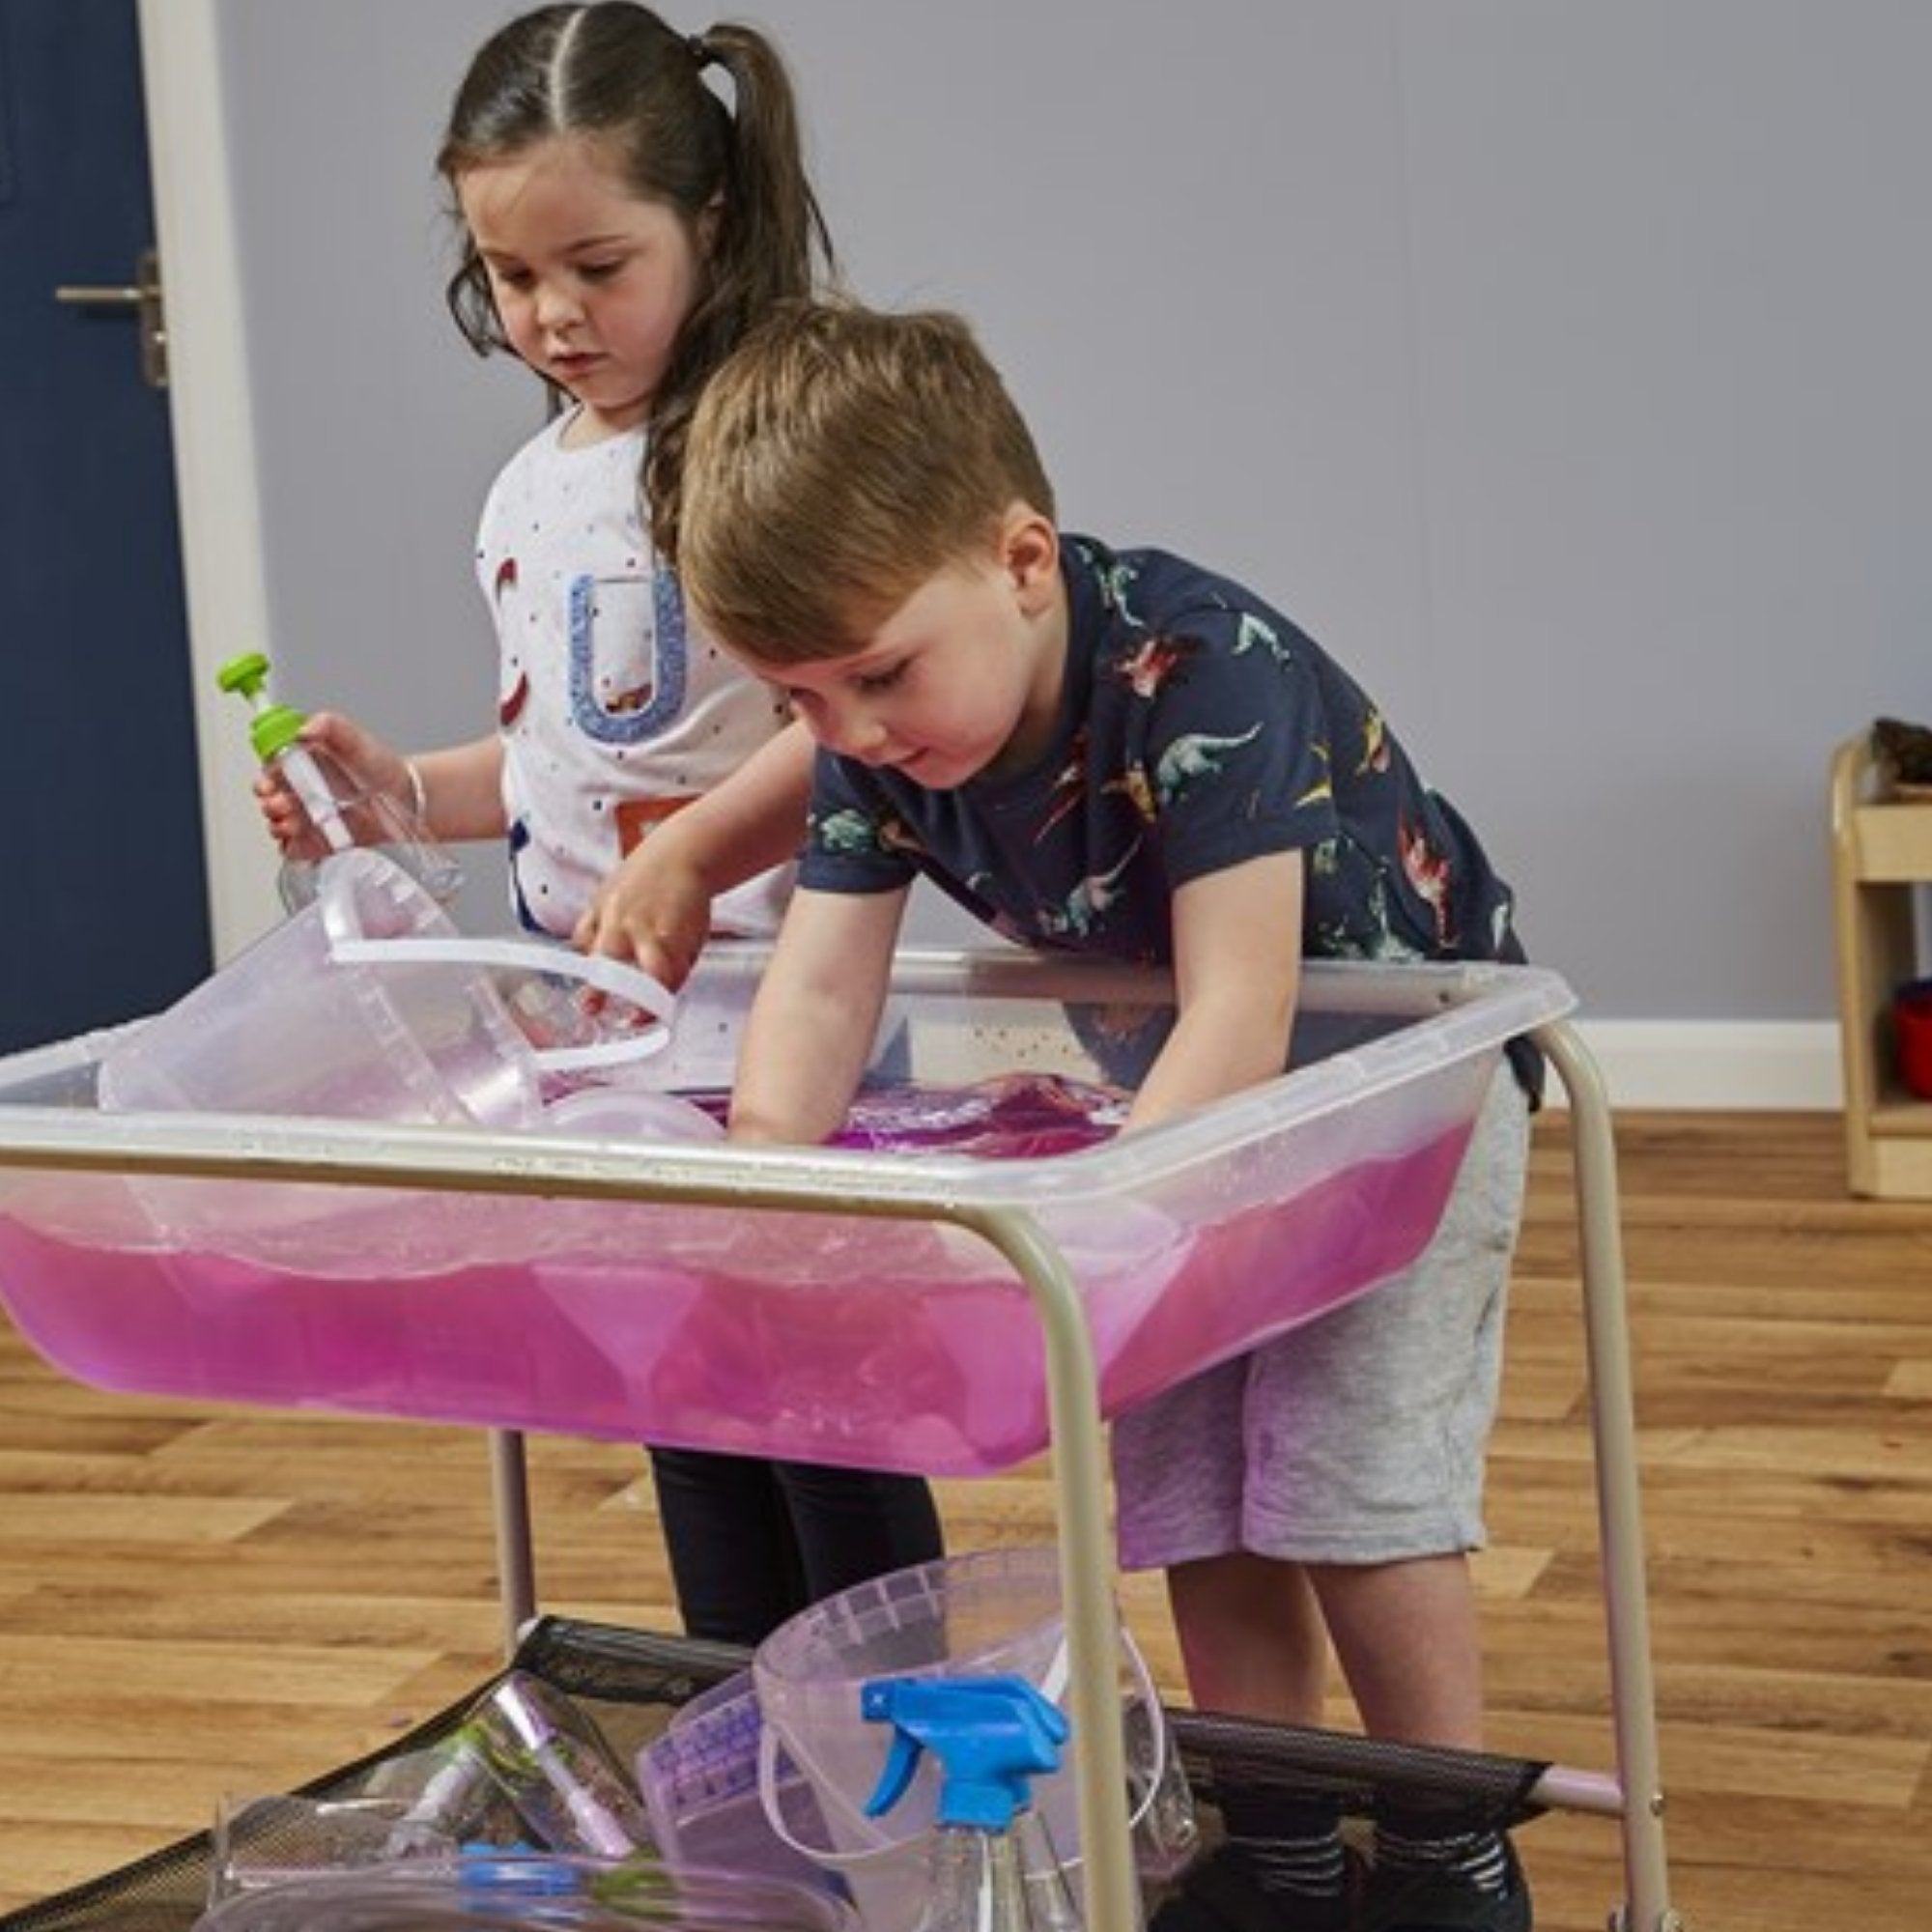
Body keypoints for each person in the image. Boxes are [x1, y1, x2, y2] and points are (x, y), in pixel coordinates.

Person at [673, 298, 1540, 1932]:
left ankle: (1447, 1849)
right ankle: (1277, 1838)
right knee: (1198, 1500)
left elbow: (1242, 1002)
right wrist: (762, 1199)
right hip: (1171, 1125)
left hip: (1399, 1111)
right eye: (800, 700)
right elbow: (817, 991)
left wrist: (1097, 1229)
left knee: (1351, 1493)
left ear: (1019, 561)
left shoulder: (1204, 666)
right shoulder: (870, 742)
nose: (851, 734)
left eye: (874, 676)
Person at [254, 5, 942, 1648]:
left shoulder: (780, 445)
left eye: (598, 266)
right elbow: (567, 759)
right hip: (600, 1021)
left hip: (788, 992)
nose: (553, 315)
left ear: (709, 223)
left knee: (826, 1422)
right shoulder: (532, 484)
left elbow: (852, 728)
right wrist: (405, 793)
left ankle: (885, 1784)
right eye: (511, 278)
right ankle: (755, 1764)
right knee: (690, 1416)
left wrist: (694, 852)